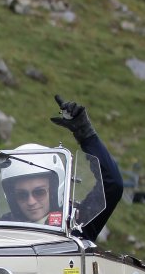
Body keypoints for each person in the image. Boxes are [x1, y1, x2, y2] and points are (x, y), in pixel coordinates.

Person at [47, 94, 122, 240]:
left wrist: (85, 133)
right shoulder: (4, 227)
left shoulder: (73, 222)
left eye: (39, 192)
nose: (31, 201)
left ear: (53, 191)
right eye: (22, 195)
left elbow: (112, 184)